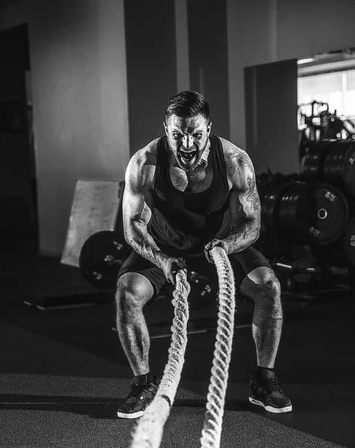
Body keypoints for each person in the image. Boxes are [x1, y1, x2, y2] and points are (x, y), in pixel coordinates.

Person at [115, 90, 292, 419]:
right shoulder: (144, 164)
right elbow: (133, 226)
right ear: (166, 129)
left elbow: (251, 224)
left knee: (269, 286)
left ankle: (264, 380)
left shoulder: (235, 161)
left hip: (220, 245)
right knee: (127, 293)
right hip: (164, 247)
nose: (186, 145)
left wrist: (227, 246)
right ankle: (143, 384)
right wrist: (162, 260)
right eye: (178, 134)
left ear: (208, 129)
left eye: (195, 134)